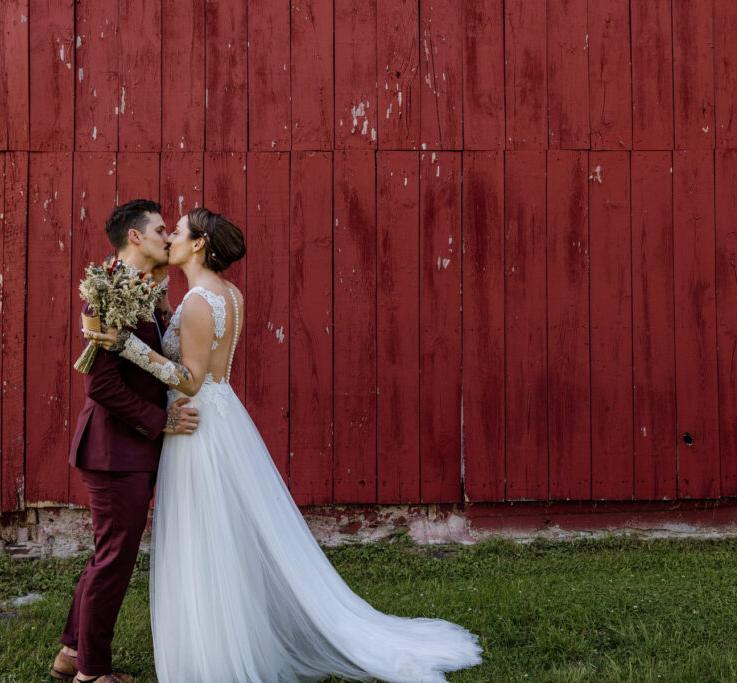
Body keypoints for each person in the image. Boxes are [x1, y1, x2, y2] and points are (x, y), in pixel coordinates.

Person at [87, 207, 482, 682]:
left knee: (204, 538)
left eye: (177, 231)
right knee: (223, 534)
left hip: (195, 423)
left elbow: (190, 381)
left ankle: (215, 651)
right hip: (223, 414)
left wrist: (127, 346)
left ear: (197, 245)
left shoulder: (197, 300)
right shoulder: (227, 294)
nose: (169, 236)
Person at [51, 200, 202, 683]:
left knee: (108, 554)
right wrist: (159, 421)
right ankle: (92, 674)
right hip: (114, 450)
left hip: (130, 450)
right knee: (114, 558)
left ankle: (73, 654)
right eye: (161, 229)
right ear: (135, 238)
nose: (167, 236)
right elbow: (100, 385)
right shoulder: (106, 294)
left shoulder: (147, 290)